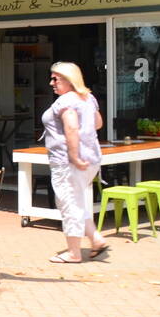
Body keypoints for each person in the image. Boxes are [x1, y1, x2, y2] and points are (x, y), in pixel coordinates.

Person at [42, 61, 108, 263]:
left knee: (68, 203)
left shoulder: (66, 101)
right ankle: (96, 240)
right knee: (76, 201)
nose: (52, 83)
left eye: (56, 79)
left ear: (69, 80)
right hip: (91, 159)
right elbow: (98, 123)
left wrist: (74, 156)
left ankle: (74, 253)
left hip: (68, 162)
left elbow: (71, 127)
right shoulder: (87, 98)